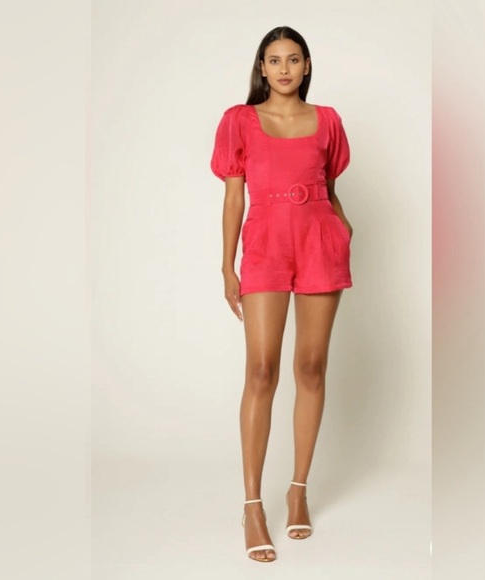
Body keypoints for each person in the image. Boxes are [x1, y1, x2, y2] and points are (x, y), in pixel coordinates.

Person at [210, 25, 353, 563]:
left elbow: (330, 187)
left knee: (311, 367)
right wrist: (227, 266)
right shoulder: (239, 120)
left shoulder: (328, 120)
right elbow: (233, 199)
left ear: (307, 65)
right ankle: (252, 506)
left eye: (294, 59)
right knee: (262, 370)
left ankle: (298, 491)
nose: (285, 68)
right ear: (262, 68)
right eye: (275, 60)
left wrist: (344, 227)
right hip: (267, 244)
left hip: (320, 242)